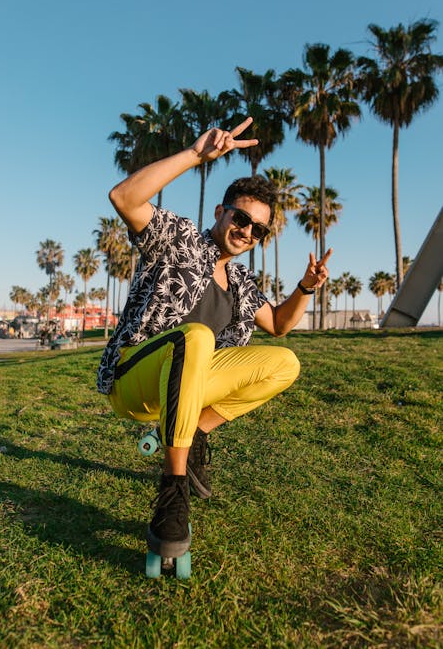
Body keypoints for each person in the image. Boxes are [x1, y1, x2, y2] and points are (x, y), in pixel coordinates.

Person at [97, 117, 332, 561]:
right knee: (197, 337)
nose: (246, 231)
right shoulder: (181, 241)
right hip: (136, 380)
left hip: (187, 387)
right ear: (220, 213)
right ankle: (173, 496)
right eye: (241, 218)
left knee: (285, 362)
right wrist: (195, 155)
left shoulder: (242, 281)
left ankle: (196, 432)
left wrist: (305, 287)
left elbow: (280, 324)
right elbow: (123, 197)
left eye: (258, 229)